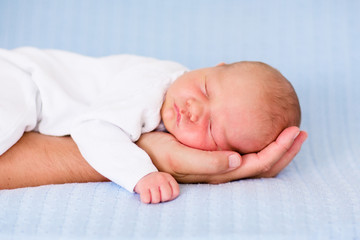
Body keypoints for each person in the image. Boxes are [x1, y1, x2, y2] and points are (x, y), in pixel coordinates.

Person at [0, 47, 305, 204]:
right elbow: (94, 130)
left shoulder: (171, 106)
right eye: (205, 90)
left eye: (211, 128)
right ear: (215, 66)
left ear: (223, 150)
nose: (193, 109)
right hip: (24, 81)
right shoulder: (152, 87)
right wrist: (142, 174)